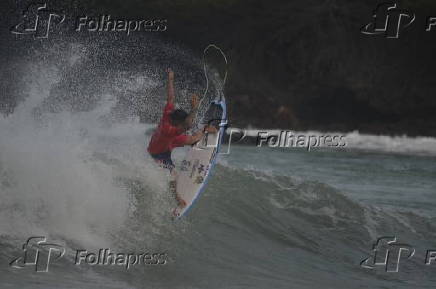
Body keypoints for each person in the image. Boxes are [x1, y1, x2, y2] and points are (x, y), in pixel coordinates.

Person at [147, 68, 216, 208]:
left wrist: (171, 78)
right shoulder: (169, 130)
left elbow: (171, 97)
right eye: (181, 123)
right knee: (173, 175)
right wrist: (195, 108)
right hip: (159, 153)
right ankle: (177, 199)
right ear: (176, 123)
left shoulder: (168, 113)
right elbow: (187, 125)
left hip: (165, 142)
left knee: (192, 140)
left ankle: (204, 130)